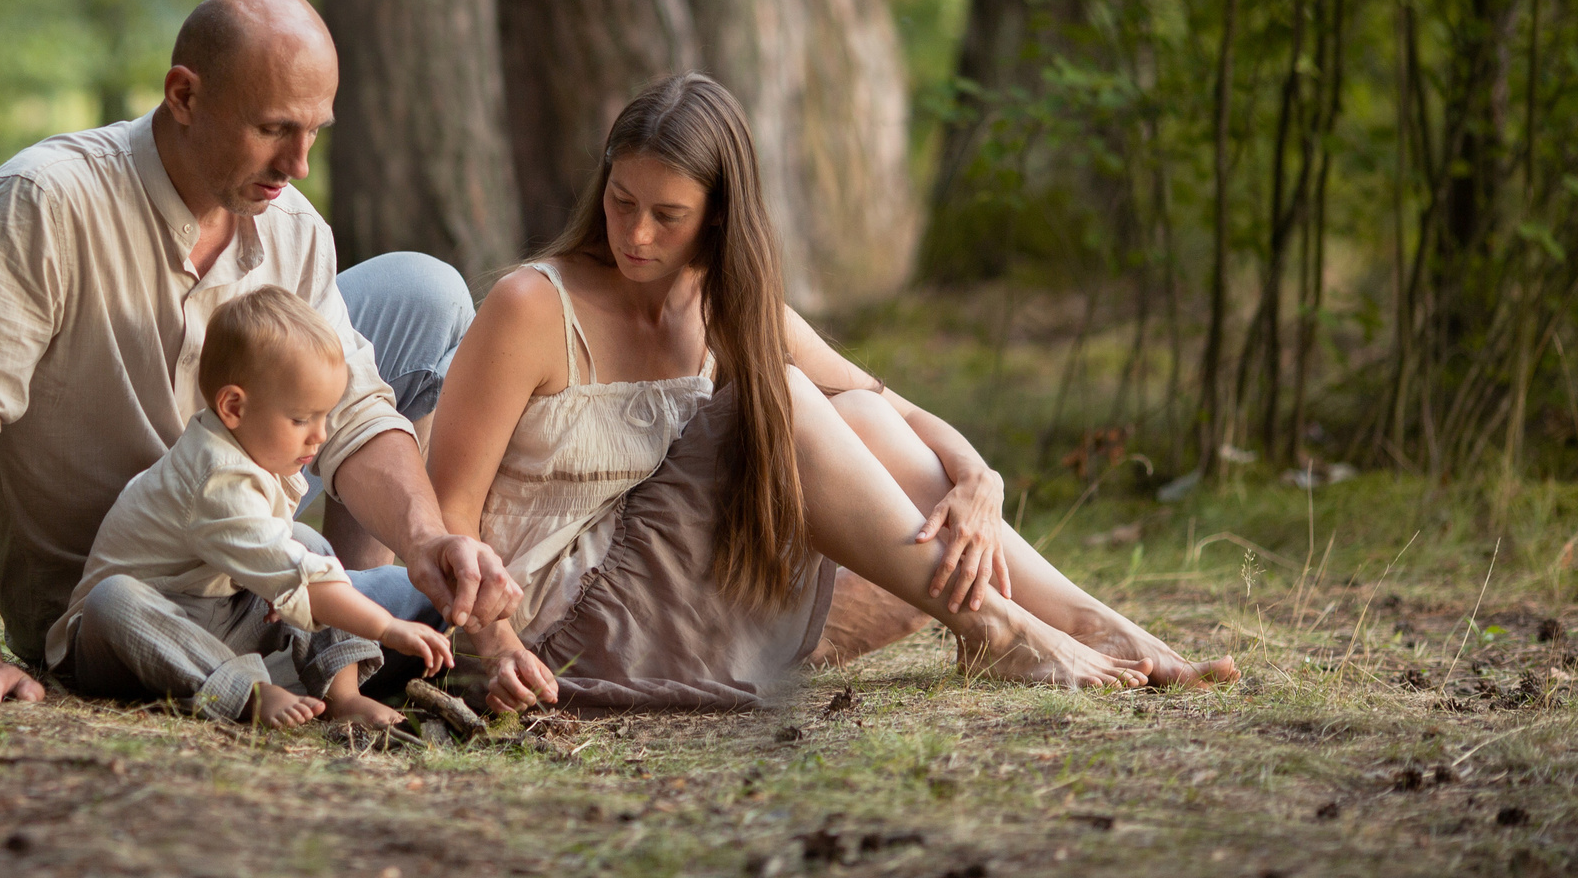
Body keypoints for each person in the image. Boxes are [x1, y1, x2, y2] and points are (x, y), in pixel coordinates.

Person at [427, 74, 1238, 712]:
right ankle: (993, 624)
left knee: (846, 410)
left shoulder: (724, 301)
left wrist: (977, 475)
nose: (636, 235)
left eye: (667, 215)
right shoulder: (533, 306)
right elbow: (446, 515)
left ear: (717, 216)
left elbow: (884, 406)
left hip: (669, 604)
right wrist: (495, 644)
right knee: (774, 393)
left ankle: (1084, 617)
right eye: (621, 202)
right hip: (553, 631)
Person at [0, 0, 518, 705]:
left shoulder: (295, 227)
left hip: (245, 563)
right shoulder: (43, 202)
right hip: (117, 598)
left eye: (316, 130)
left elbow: (353, 412)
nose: (300, 163)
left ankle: (337, 649)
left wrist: (426, 543)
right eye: (275, 128)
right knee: (127, 603)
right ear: (183, 96)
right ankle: (292, 647)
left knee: (426, 292)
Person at [46, 286, 456, 728]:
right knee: (113, 599)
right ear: (233, 406)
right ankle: (246, 693)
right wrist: (387, 628)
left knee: (308, 545)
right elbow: (303, 582)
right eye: (301, 419)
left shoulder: (253, 450)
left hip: (213, 617)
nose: (318, 436)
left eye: (324, 416)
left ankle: (343, 695)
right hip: (130, 642)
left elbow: (296, 567)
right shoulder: (215, 478)